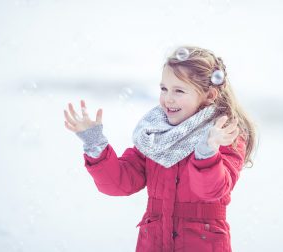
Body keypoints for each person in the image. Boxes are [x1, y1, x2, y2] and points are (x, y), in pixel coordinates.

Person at [63, 45, 257, 252]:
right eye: (164, 88)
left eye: (179, 90)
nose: (168, 98)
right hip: (153, 243)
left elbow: (212, 190)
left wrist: (207, 151)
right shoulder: (154, 134)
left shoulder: (224, 134)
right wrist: (95, 144)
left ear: (209, 95)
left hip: (202, 243)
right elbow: (120, 183)